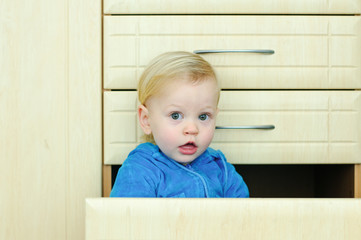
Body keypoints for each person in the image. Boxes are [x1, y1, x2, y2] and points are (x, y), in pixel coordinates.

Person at [110, 51, 249, 198]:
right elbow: (126, 218)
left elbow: (245, 216)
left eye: (203, 116)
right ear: (146, 119)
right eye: (175, 115)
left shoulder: (221, 169)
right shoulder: (140, 169)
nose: (192, 129)